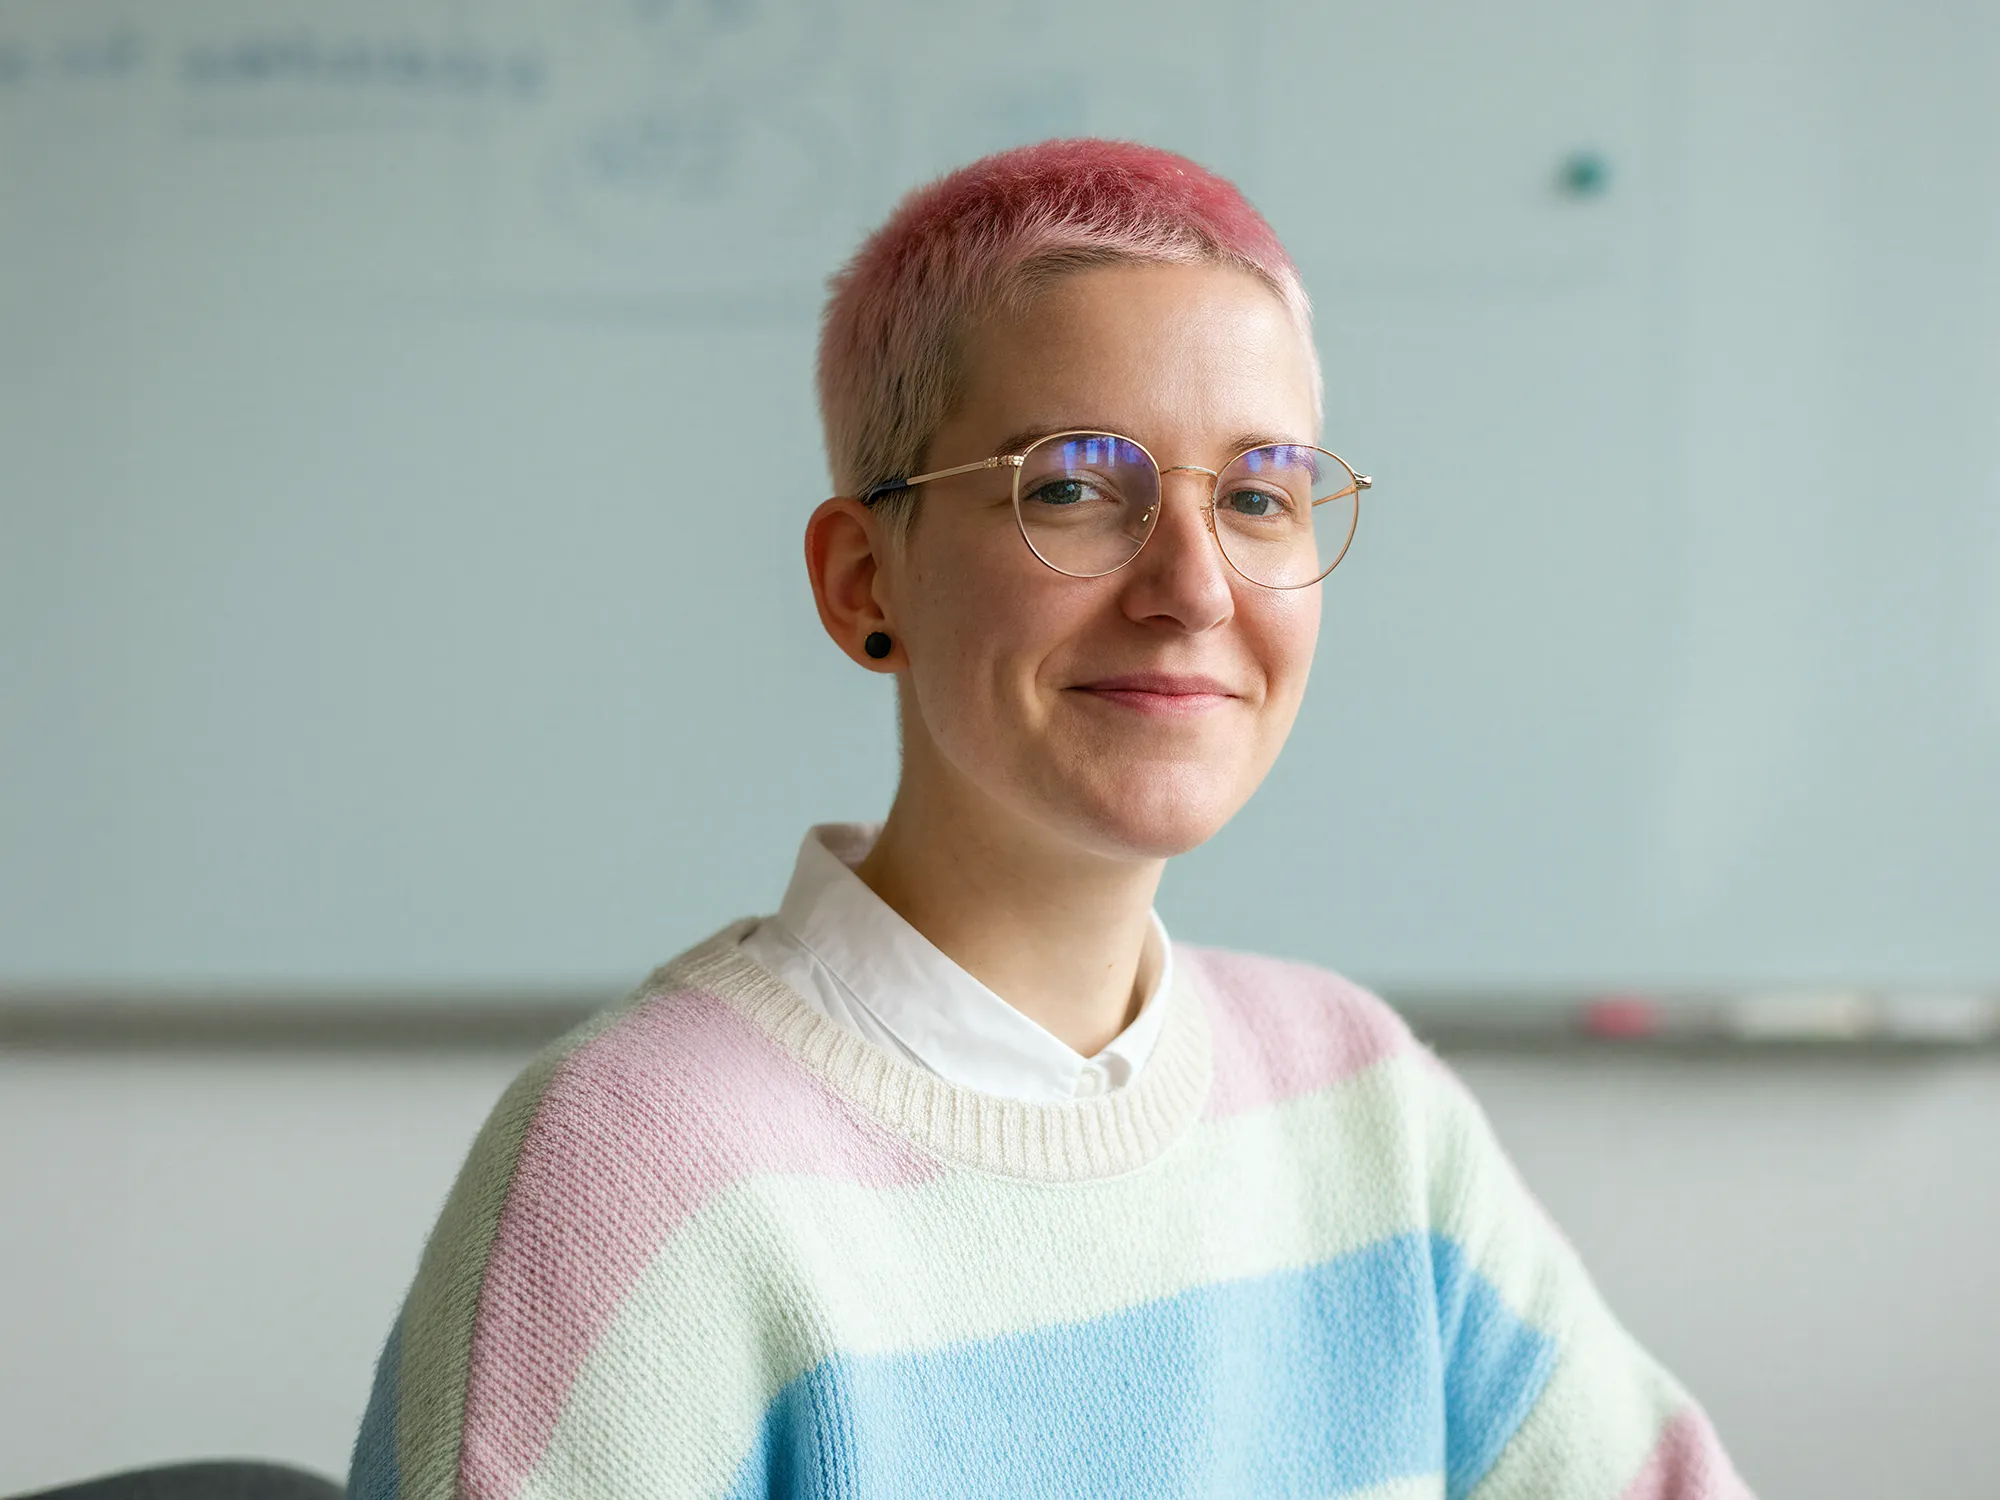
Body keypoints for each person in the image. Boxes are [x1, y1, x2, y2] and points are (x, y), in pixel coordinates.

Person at [348, 139, 1751, 1499]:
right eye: (1075, 486)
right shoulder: (643, 1170)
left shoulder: (1365, 1112)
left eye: (1260, 495)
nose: (1195, 588)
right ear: (862, 584)